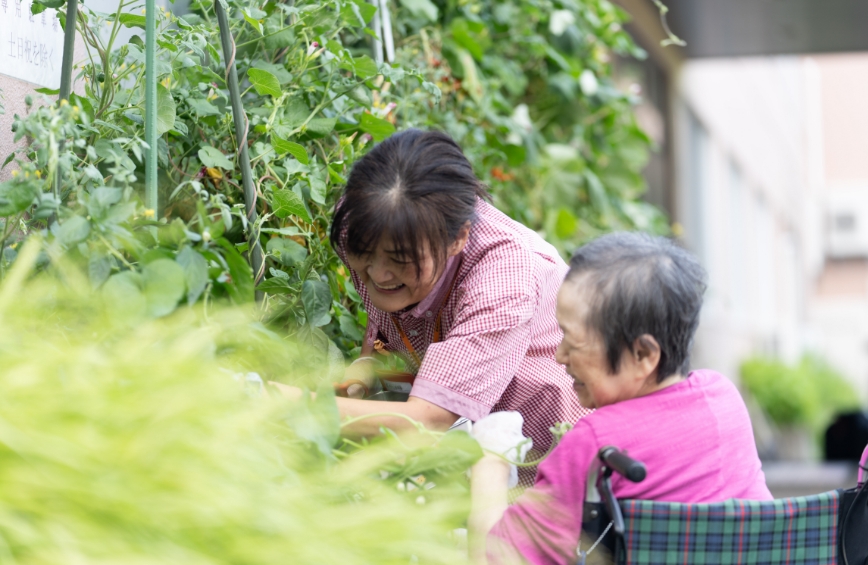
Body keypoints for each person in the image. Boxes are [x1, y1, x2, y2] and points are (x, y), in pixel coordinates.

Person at [273, 128, 588, 487]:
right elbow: (384, 310)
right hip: (465, 442)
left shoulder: (504, 275)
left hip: (548, 446)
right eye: (365, 254)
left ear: (458, 239)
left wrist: (276, 400)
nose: (377, 273)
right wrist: (366, 367)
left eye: (400, 259)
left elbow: (428, 420)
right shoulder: (362, 220)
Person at [467, 232, 773, 565]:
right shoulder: (724, 397)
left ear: (643, 354)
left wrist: (492, 457)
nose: (559, 355)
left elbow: (492, 558)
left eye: (573, 340)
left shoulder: (597, 446)